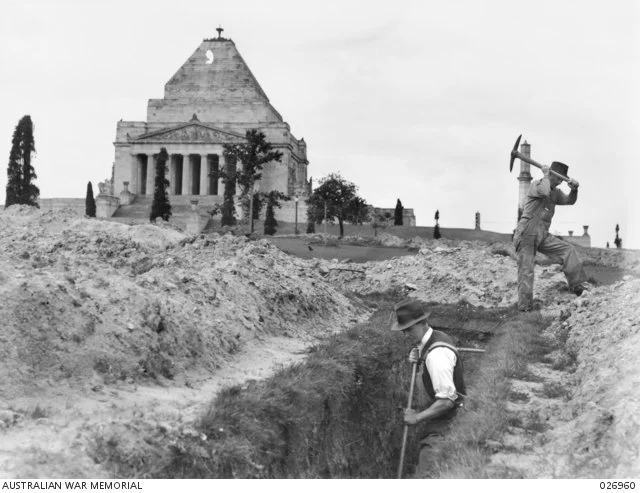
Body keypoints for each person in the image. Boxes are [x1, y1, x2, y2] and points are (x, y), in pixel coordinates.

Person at [391, 299, 465, 466]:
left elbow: (446, 402)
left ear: (423, 322)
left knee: (427, 473)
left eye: (409, 329)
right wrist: (419, 357)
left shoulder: (437, 355)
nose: (406, 334)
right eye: (403, 331)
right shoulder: (433, 340)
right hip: (438, 420)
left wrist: (416, 418)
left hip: (447, 424)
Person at [513, 161, 590, 311]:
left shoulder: (556, 192)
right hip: (527, 232)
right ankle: (525, 307)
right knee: (526, 269)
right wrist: (546, 175)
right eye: (559, 178)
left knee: (568, 250)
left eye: (563, 179)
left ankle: (577, 286)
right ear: (552, 175)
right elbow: (544, 191)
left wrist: (574, 190)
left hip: (542, 234)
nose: (561, 181)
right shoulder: (537, 185)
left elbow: (569, 201)